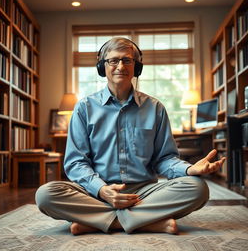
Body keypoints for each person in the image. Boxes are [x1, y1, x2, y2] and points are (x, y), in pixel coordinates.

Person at [35, 37, 225, 235]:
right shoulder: (84, 108)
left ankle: (97, 222)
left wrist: (190, 169)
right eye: (113, 60)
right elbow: (76, 163)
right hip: (97, 192)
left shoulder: (155, 108)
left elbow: (165, 159)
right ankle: (147, 222)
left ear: (137, 67)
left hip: (144, 193)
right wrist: (102, 190)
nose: (120, 66)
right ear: (102, 66)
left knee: (198, 189)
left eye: (127, 60)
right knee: (45, 195)